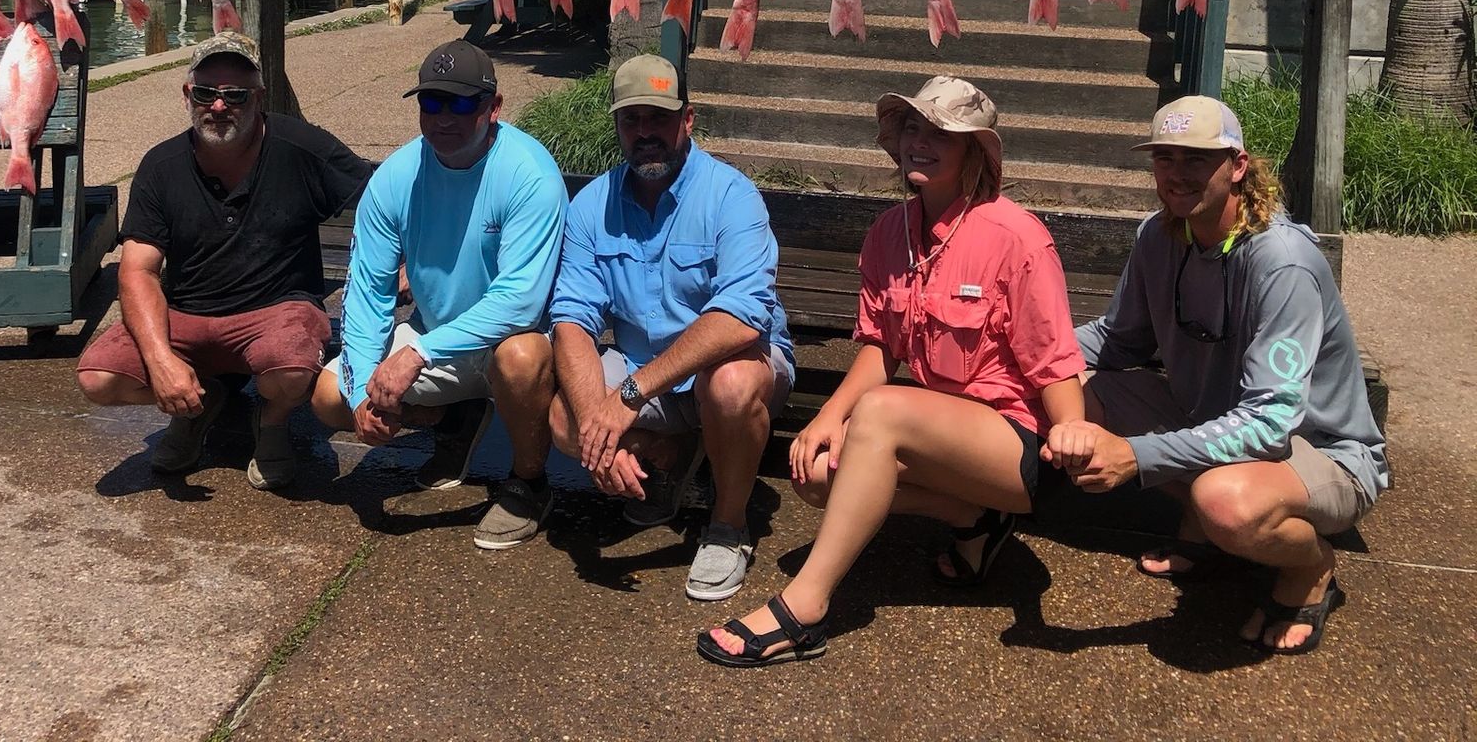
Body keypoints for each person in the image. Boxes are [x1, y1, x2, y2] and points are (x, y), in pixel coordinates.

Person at [700, 76, 1085, 668]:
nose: (920, 141)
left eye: (941, 133)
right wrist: (827, 416)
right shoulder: (888, 233)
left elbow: (1054, 360)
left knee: (879, 414)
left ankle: (804, 608)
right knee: (817, 474)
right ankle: (974, 518)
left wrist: (1074, 435)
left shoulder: (1017, 237)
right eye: (912, 127)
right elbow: (883, 345)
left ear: (973, 151)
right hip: (935, 429)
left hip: (1020, 443)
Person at [1044, 97, 1389, 656]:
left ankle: (1310, 568)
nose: (1177, 174)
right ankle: (1200, 520)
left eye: (1197, 159)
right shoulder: (1159, 237)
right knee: (1073, 396)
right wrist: (1032, 354)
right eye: (1165, 158)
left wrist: (1136, 455)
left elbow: (1270, 422)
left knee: (1226, 501)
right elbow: (1119, 339)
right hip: (1212, 418)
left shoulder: (1282, 262)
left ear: (1238, 165)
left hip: (1322, 451)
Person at [77, 32, 372, 490]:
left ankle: (271, 422)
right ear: (187, 94)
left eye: (235, 94)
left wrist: (405, 258)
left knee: (291, 368)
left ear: (258, 97)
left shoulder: (302, 146)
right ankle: (199, 402)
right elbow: (137, 271)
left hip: (277, 309)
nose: (219, 105)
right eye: (206, 92)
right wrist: (160, 363)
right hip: (187, 314)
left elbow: (383, 197)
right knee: (98, 378)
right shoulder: (160, 165)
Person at [549, 55, 795, 602]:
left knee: (729, 386)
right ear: (616, 126)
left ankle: (728, 527)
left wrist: (629, 396)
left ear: (687, 119)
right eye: (631, 121)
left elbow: (741, 316)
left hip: (731, 371)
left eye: (658, 119)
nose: (645, 135)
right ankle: (669, 458)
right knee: (564, 417)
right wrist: (597, 427)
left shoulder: (732, 195)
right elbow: (571, 317)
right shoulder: (591, 205)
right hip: (645, 373)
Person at [311, 41, 567, 551]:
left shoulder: (529, 175)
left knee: (519, 356)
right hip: (439, 338)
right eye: (432, 103)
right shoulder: (394, 179)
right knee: (327, 399)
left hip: (518, 341)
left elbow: (520, 300)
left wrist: (419, 352)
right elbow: (366, 295)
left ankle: (528, 482)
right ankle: (455, 419)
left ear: (494, 107)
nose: (444, 118)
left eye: (461, 103)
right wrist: (364, 397)